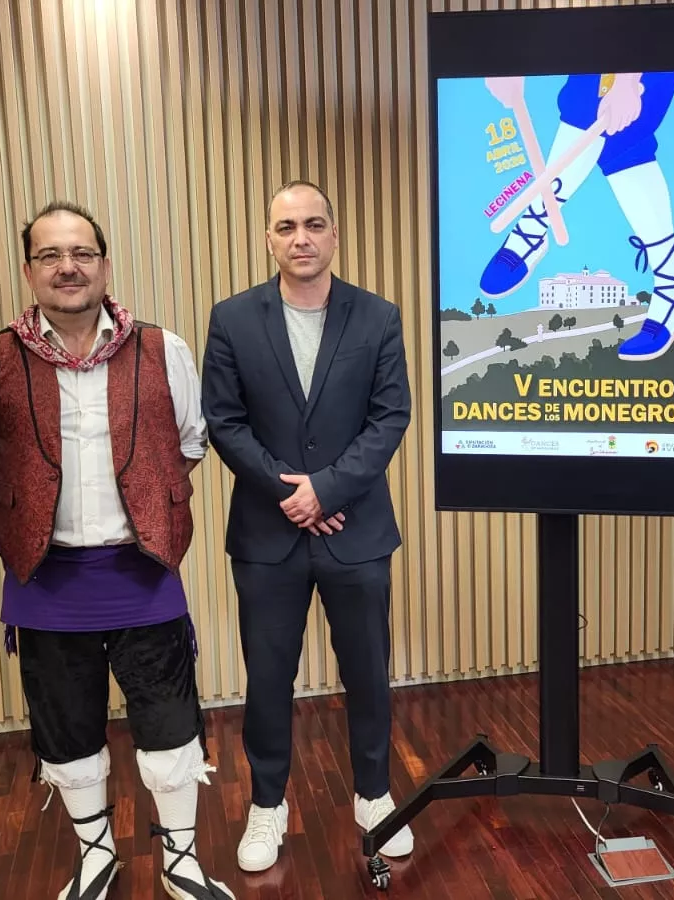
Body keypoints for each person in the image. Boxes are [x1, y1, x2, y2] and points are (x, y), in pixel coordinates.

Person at [0, 202, 232, 900]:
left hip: (142, 571)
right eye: (49, 255)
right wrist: (29, 516)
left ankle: (181, 861)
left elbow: (190, 444)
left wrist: (144, 507)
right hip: (45, 580)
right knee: (66, 725)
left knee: (169, 723)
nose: (67, 267)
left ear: (104, 264)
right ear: (28, 270)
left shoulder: (165, 349)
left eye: (81, 253)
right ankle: (97, 854)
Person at [201, 180, 413, 873]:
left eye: (314, 224)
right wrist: (289, 493)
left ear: (334, 234)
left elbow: (389, 418)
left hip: (357, 532)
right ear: (268, 239)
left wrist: (326, 489)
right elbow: (224, 422)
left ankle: (375, 796)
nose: (301, 238)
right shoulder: (232, 319)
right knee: (268, 678)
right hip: (268, 534)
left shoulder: (378, 317)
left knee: (368, 673)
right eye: (286, 227)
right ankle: (268, 806)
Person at [479, 72, 674, 360]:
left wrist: (626, 79)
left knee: (622, 128)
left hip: (652, 32)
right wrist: (507, 63)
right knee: (587, 100)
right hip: (590, 35)